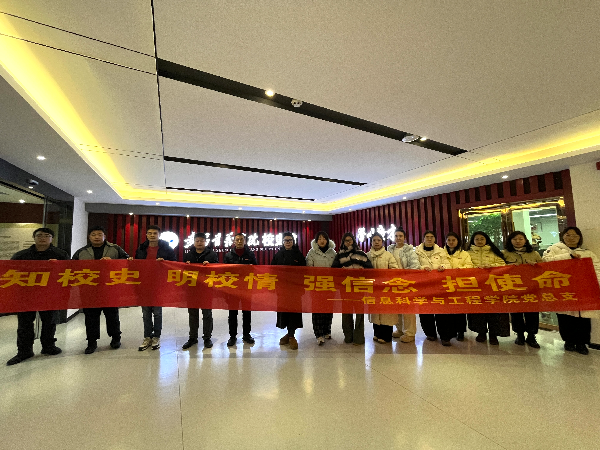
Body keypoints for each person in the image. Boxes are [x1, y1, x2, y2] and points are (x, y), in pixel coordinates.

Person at [6, 228, 69, 366]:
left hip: (49, 294)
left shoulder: (60, 254)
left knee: (49, 322)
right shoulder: (21, 255)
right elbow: (10, 271)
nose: (43, 238)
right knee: (24, 324)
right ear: (34, 238)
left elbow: (69, 272)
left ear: (52, 238)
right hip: (26, 295)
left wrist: (59, 266)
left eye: (47, 235)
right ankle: (24, 351)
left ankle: (48, 346)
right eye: (39, 235)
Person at [72, 225, 129, 354]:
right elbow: (71, 266)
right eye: (93, 235)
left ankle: (116, 338)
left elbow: (127, 260)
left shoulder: (114, 249)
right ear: (89, 237)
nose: (96, 237)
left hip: (110, 289)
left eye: (99, 234)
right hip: (89, 290)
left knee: (112, 316)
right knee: (90, 318)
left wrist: (113, 261)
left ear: (104, 236)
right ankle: (91, 342)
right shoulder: (82, 251)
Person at [543, 227, 600, 355]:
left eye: (575, 236)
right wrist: (568, 256)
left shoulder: (587, 252)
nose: (571, 238)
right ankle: (568, 341)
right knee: (565, 316)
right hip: (563, 289)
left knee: (583, 317)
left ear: (580, 238)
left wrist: (597, 284)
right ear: (563, 236)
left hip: (583, 289)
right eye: (568, 235)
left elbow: (596, 268)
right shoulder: (554, 249)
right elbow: (546, 262)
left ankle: (582, 343)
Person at [132, 225, 177, 351]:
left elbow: (174, 263)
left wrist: (165, 262)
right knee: (146, 313)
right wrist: (131, 261)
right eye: (150, 233)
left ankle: (156, 336)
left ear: (159, 235)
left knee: (157, 313)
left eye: (155, 233)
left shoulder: (166, 248)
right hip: (144, 284)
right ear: (146, 235)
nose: (152, 235)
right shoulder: (141, 248)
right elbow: (136, 264)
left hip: (159, 285)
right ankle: (147, 337)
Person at [467, 231, 509, 345]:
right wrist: (476, 268)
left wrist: (491, 267)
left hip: (493, 287)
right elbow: (465, 266)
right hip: (476, 286)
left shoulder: (494, 251)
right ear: (473, 241)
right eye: (477, 239)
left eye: (482, 239)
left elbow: (502, 264)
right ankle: (481, 333)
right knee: (479, 311)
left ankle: (493, 334)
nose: (479, 241)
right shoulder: (467, 253)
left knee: (493, 311)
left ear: (486, 240)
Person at [332, 232, 373, 345]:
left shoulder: (361, 253)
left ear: (354, 241)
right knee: (346, 312)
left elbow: (370, 269)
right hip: (345, 288)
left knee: (360, 313)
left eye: (350, 240)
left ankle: (359, 338)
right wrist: (341, 271)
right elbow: (333, 270)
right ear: (343, 242)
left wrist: (363, 270)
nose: (348, 242)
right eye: (346, 240)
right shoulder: (339, 255)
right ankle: (348, 336)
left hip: (359, 287)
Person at [503, 231, 542, 348]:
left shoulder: (534, 253)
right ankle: (519, 335)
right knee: (516, 313)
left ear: (525, 240)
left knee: (532, 313)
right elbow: (498, 268)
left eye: (520, 239)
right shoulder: (504, 253)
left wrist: (536, 266)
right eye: (515, 239)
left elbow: (543, 268)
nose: (518, 241)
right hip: (513, 288)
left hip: (532, 288)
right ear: (510, 241)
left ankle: (531, 336)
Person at [415, 231, 453, 345]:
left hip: (439, 285)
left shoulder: (441, 251)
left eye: (432, 237)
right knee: (426, 310)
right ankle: (430, 333)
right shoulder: (416, 251)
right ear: (423, 239)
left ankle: (445, 336)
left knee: (441, 311)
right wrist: (422, 268)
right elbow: (414, 266)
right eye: (427, 237)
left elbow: (449, 264)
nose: (429, 239)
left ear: (435, 239)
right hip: (424, 285)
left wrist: (443, 266)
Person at [182, 232, 219, 350]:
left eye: (202, 241)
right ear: (193, 242)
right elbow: (182, 271)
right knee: (193, 314)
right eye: (197, 241)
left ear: (205, 242)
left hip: (206, 289)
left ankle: (207, 338)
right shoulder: (188, 254)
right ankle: (192, 338)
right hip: (192, 289)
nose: (199, 243)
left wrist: (210, 265)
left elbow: (218, 269)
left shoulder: (212, 254)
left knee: (207, 314)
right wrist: (186, 266)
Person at [273, 232, 306, 350]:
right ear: (283, 242)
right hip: (282, 290)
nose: (288, 242)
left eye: (290, 240)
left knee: (294, 312)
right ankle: (288, 334)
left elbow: (304, 273)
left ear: (293, 242)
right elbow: (272, 271)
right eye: (286, 240)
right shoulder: (278, 255)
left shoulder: (299, 255)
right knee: (284, 312)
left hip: (295, 290)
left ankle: (291, 335)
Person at [223, 233, 257, 347]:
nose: (239, 241)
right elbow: (224, 273)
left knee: (247, 312)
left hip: (246, 288)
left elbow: (256, 269)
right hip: (233, 289)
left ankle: (246, 335)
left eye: (241, 239)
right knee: (232, 313)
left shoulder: (250, 254)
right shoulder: (228, 255)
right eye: (237, 239)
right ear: (234, 241)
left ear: (245, 241)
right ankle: (232, 336)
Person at [387, 229, 420, 343]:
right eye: (396, 236)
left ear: (405, 237)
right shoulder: (389, 250)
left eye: (400, 236)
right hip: (393, 283)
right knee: (397, 308)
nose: (398, 238)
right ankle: (400, 329)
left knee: (408, 309)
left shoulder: (410, 251)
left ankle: (410, 333)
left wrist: (403, 275)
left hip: (406, 283)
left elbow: (415, 266)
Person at [306, 231, 336, 345]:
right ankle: (319, 334)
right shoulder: (312, 253)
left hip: (329, 286)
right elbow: (308, 269)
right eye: (319, 239)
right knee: (317, 310)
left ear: (327, 240)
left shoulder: (332, 252)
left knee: (328, 309)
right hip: (317, 286)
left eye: (324, 238)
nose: (322, 241)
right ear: (316, 241)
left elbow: (336, 268)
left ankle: (327, 330)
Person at [367, 233, 399, 343]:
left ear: (382, 242)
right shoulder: (368, 256)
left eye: (379, 240)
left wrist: (385, 279)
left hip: (386, 289)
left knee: (386, 313)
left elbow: (395, 269)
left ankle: (386, 336)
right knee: (375, 312)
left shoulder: (388, 255)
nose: (376, 242)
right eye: (374, 240)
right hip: (374, 289)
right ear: (371, 242)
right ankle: (377, 333)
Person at [443, 231, 473, 341]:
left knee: (460, 309)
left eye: (453, 240)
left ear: (458, 241)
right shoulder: (441, 253)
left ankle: (461, 331)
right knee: (448, 310)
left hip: (460, 285)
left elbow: (469, 265)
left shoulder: (464, 254)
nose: (451, 242)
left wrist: (460, 270)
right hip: (445, 285)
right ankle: (450, 331)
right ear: (446, 241)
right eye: (449, 240)